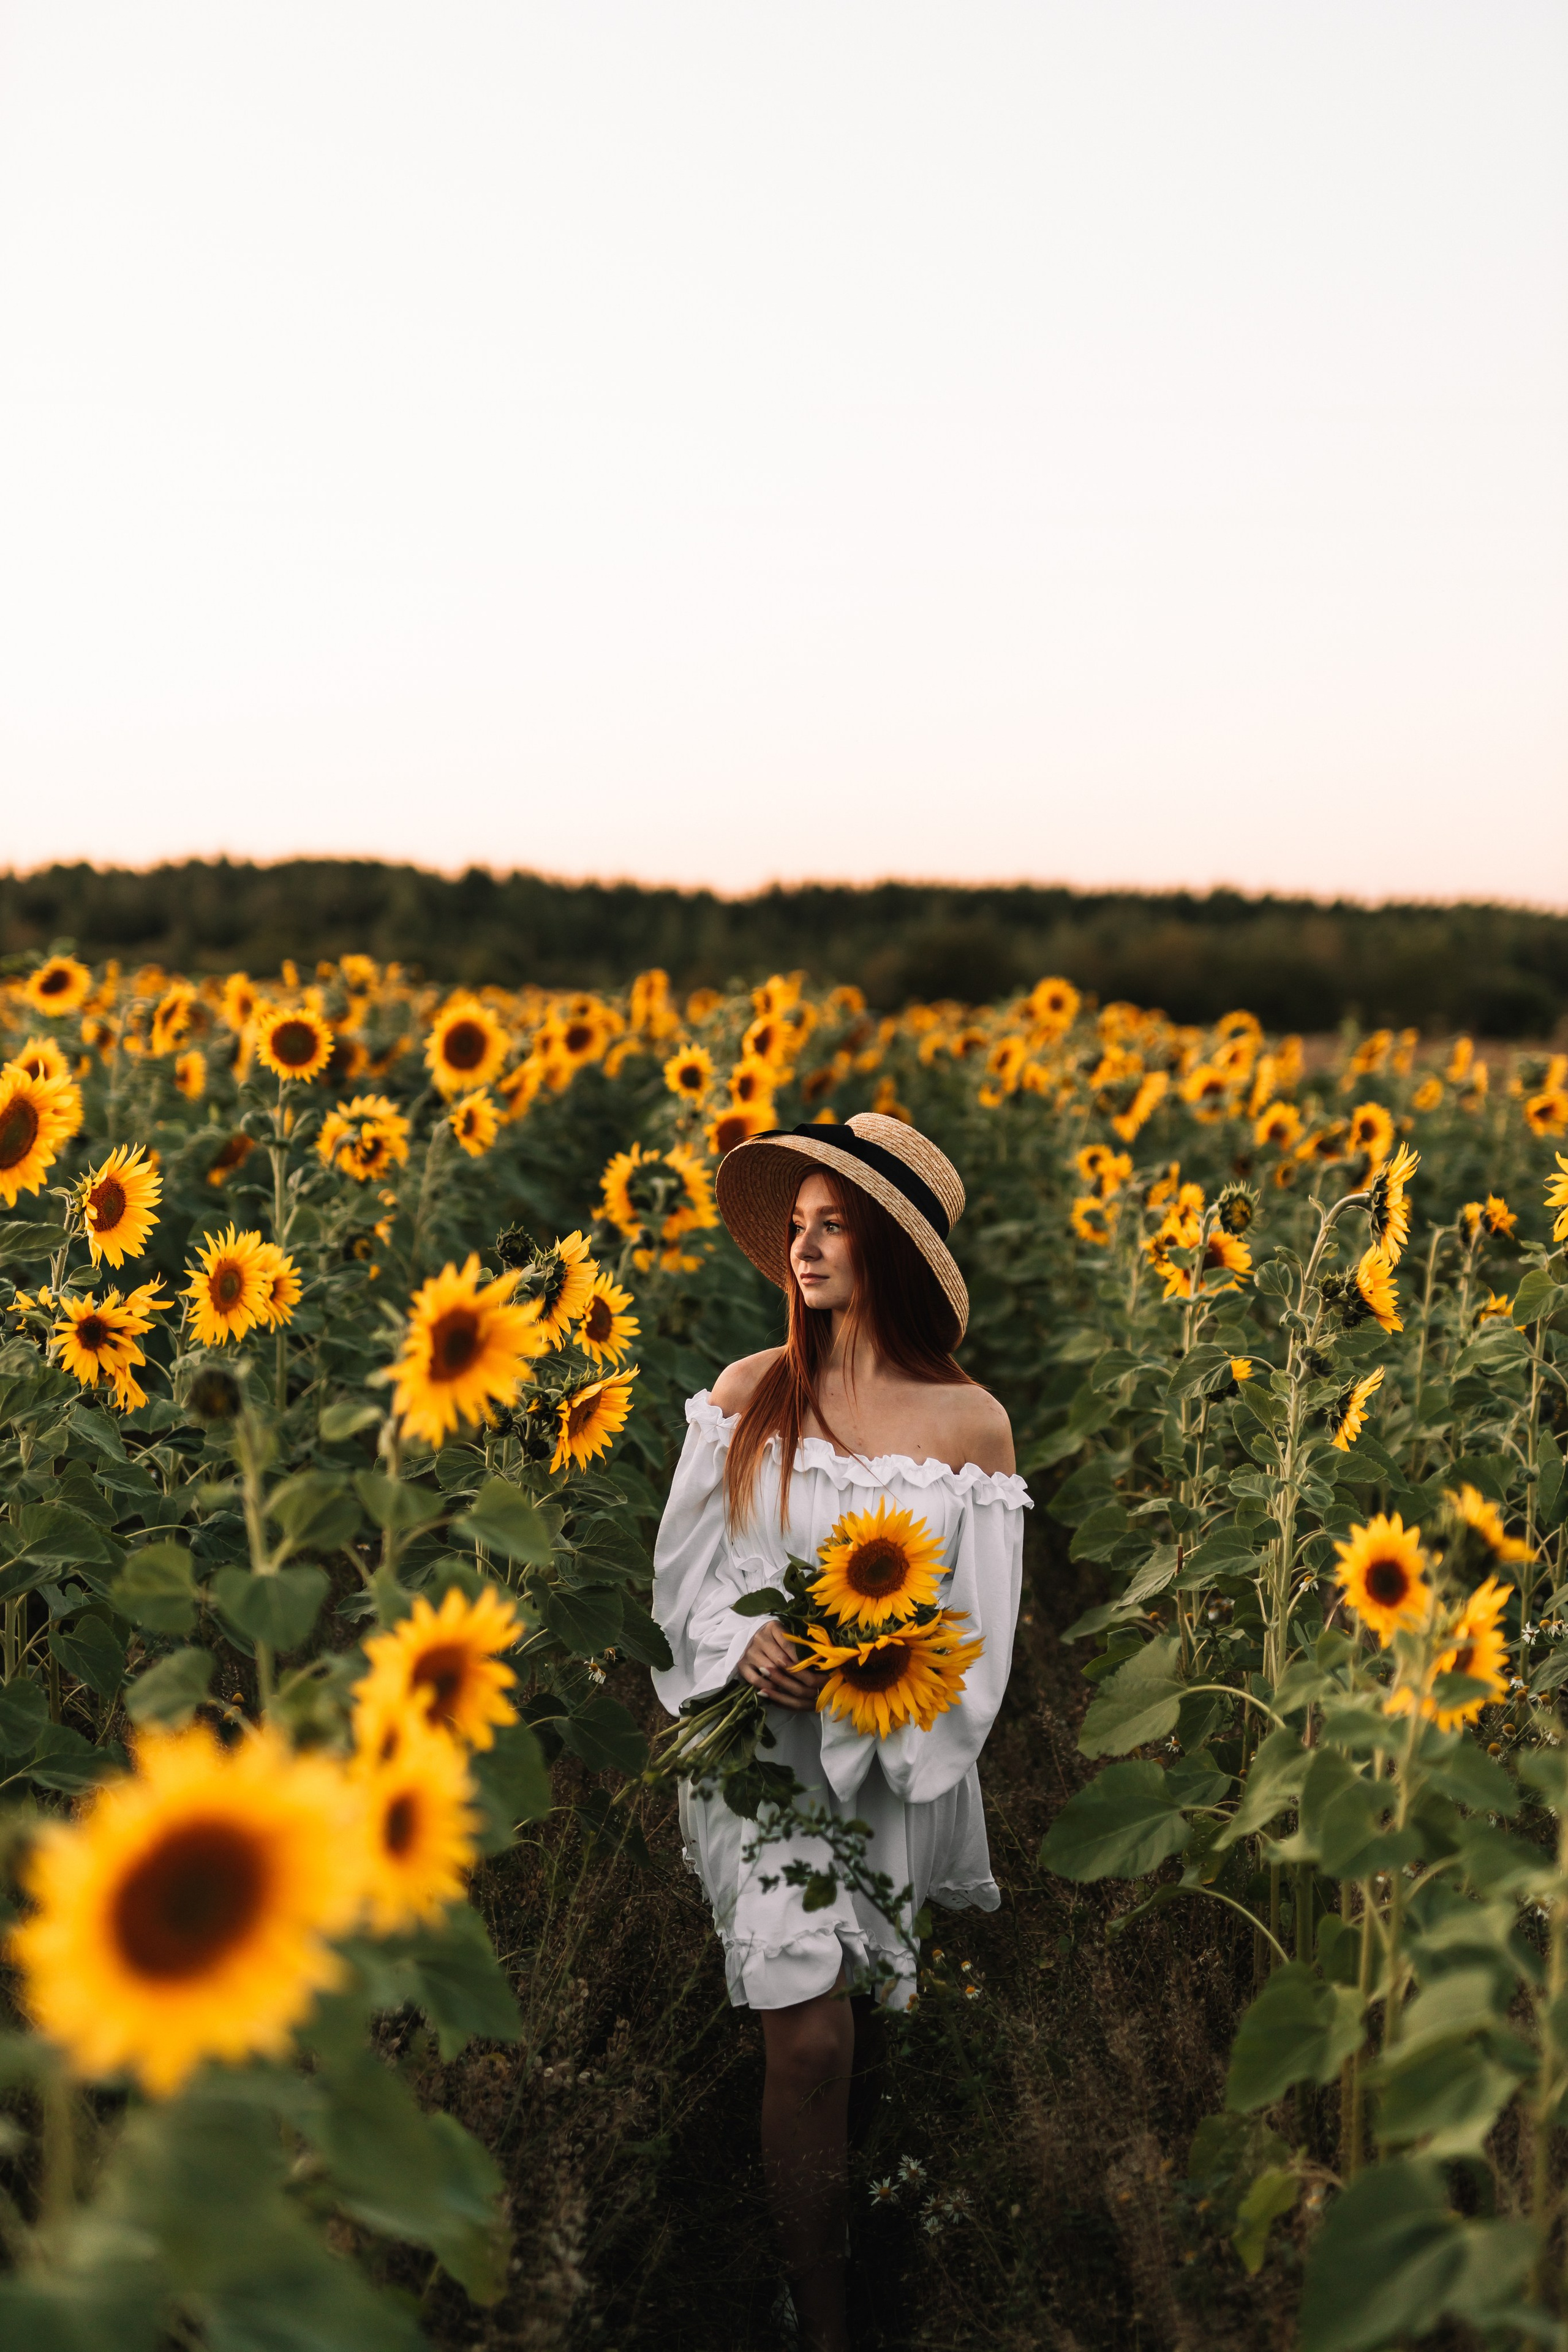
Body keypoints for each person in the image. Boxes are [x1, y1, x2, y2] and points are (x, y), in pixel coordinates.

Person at [650, 1113, 1029, 2351]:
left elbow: (974, 1641)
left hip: (880, 1761)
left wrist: (871, 1666)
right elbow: (685, 1583)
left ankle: (834, 2217)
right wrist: (736, 1642)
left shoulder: (967, 1430)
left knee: (837, 2017)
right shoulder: (750, 1394)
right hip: (753, 1761)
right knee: (808, 2029)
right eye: (797, 1226)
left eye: (835, 1228)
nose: (805, 1251)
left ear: (892, 1254)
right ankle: (818, 2314)